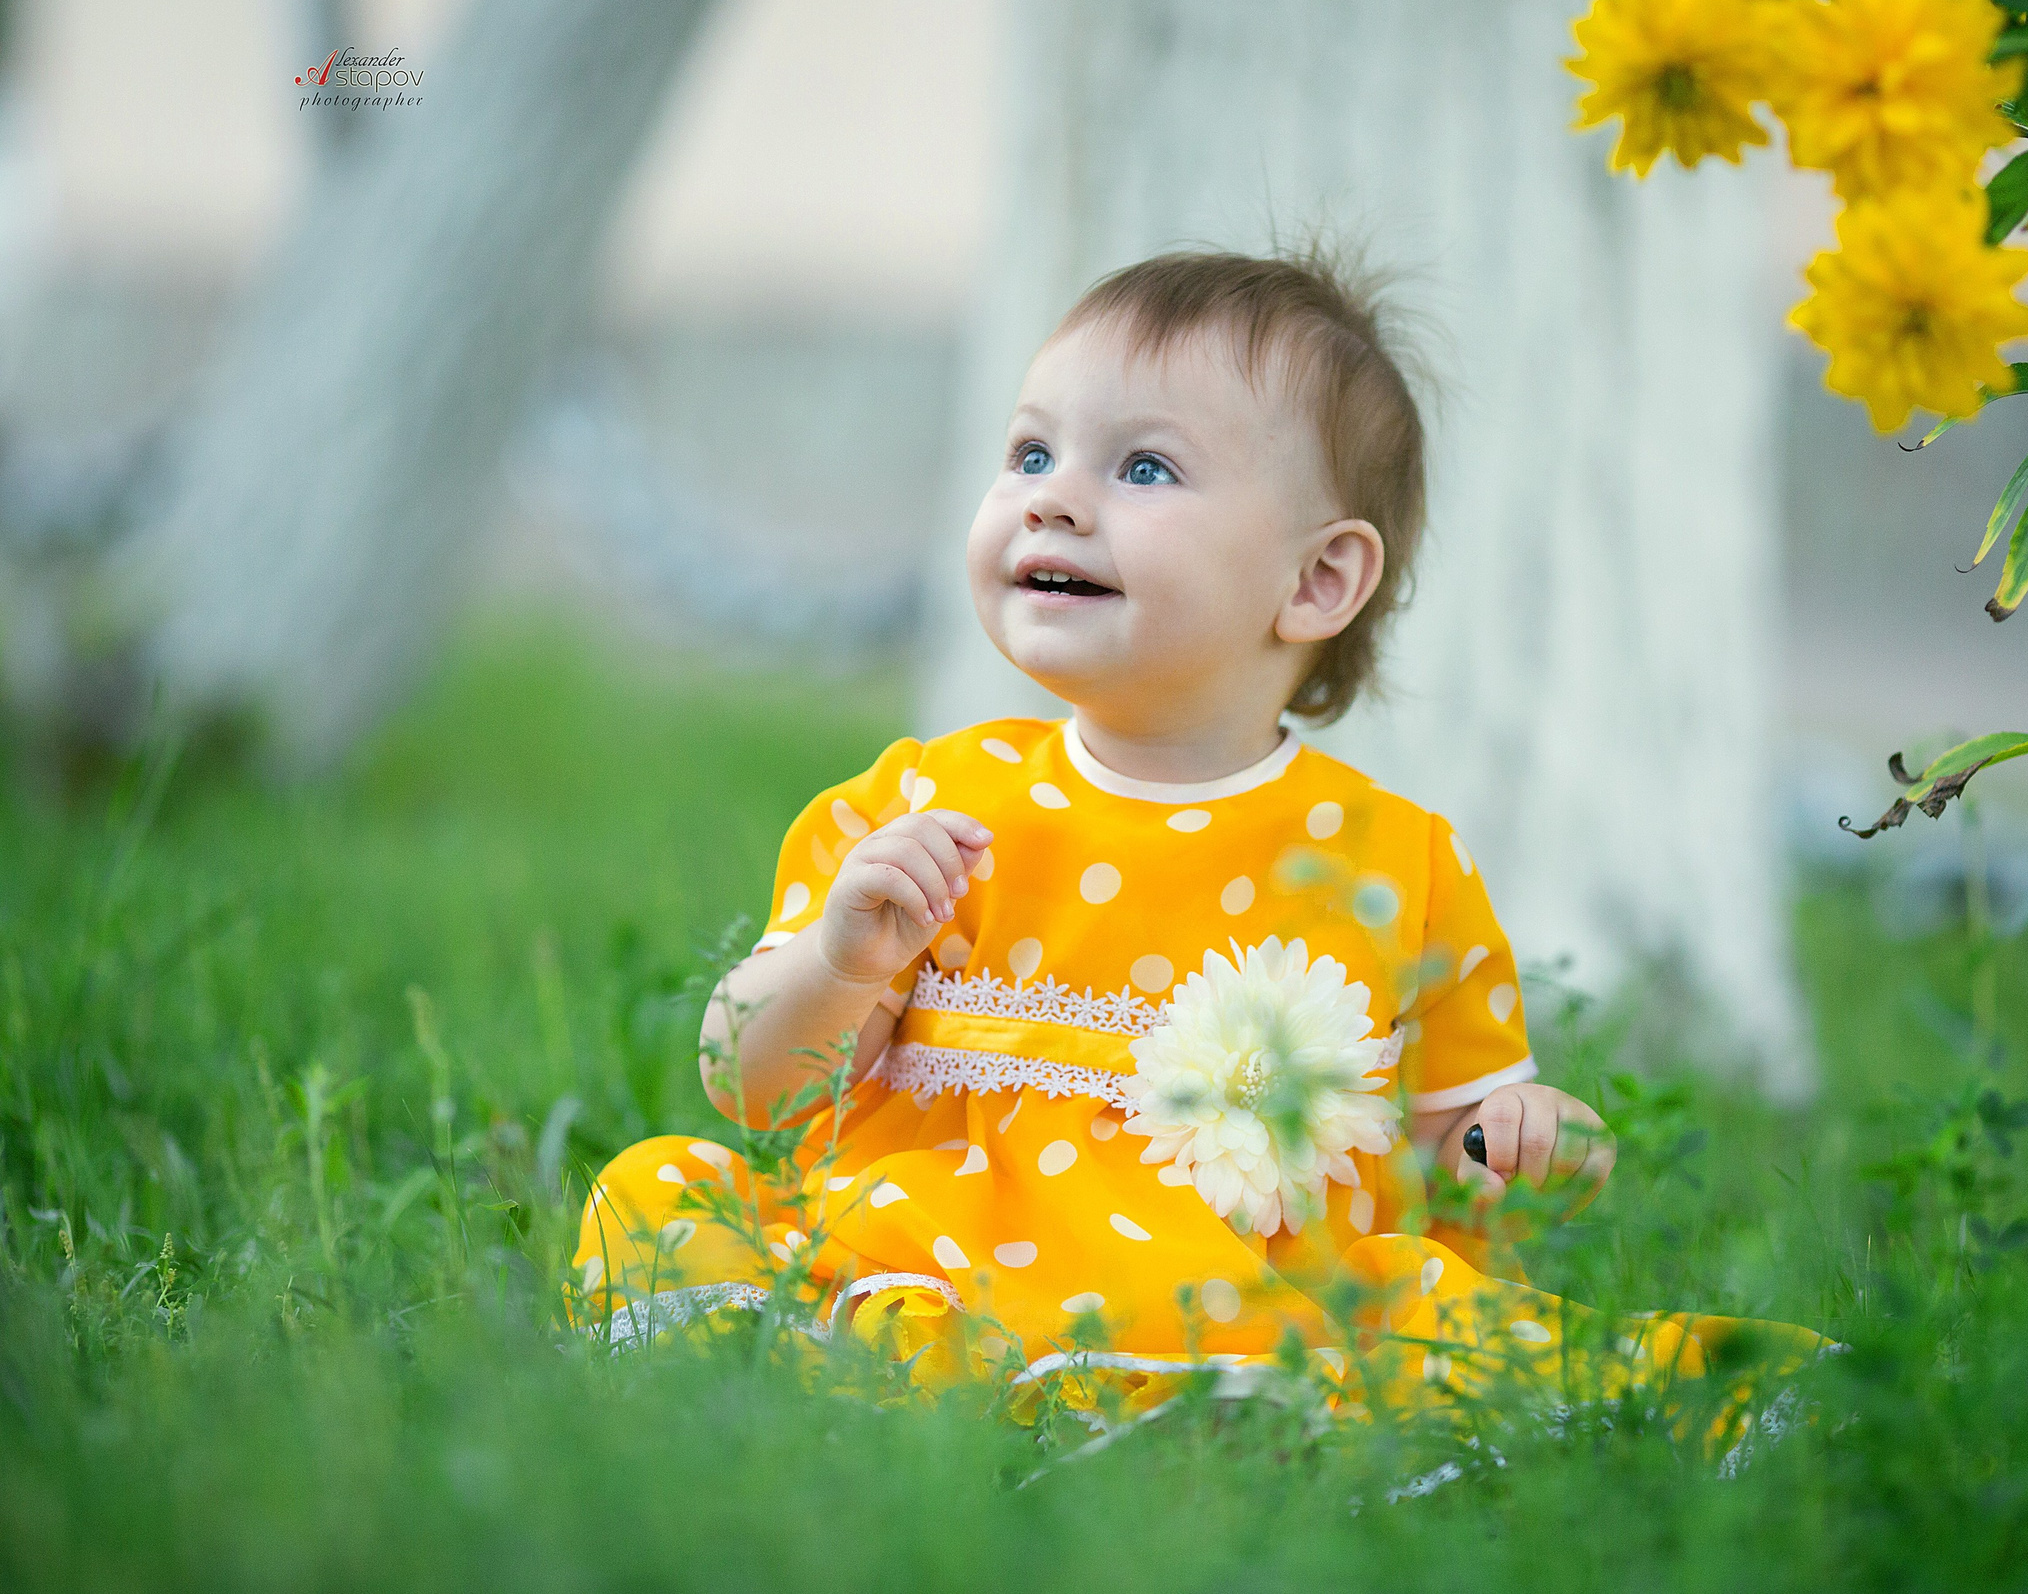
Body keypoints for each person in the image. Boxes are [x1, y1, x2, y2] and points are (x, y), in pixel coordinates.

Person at [573, 246, 1823, 1427]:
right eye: (1028, 453)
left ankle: (1179, 1407)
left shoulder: (1391, 864)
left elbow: (1450, 1161)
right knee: (661, 1190)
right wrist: (841, 964)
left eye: (1145, 469)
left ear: (1318, 581)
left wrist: (1520, 1147)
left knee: (1416, 1320)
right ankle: (898, 1379)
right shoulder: (921, 809)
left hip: (1217, 1290)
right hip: (921, 1246)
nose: (1053, 501)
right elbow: (753, 1090)